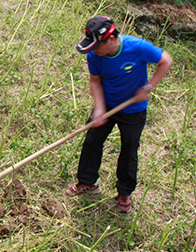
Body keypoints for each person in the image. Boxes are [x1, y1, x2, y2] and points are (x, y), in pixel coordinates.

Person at [66, 15, 173, 213]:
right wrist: (99, 107)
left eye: (97, 46)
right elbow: (95, 81)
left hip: (133, 110)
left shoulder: (138, 47)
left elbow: (166, 60)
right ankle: (89, 183)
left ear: (112, 39)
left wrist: (148, 87)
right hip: (107, 105)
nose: (94, 51)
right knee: (92, 141)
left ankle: (124, 192)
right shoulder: (95, 56)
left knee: (129, 149)